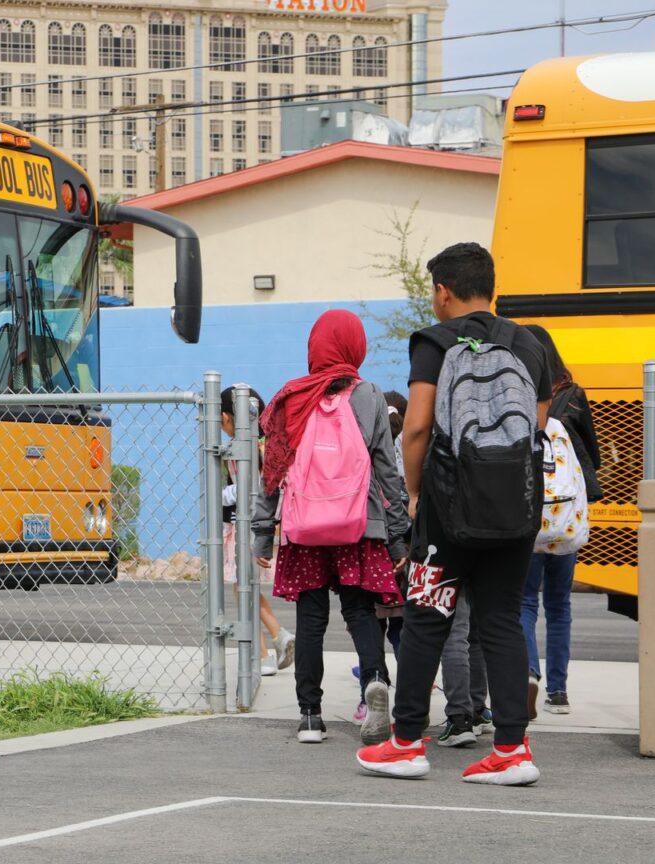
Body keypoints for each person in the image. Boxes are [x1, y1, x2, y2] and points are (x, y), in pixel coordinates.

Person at [357, 241, 551, 786]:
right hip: (515, 508)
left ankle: (405, 744)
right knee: (502, 620)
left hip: (448, 509)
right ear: (492, 287)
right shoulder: (530, 343)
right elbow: (534, 429)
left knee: (425, 618)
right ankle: (512, 751)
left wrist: (416, 495)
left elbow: (416, 426)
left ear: (442, 291)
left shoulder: (436, 342)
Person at [252, 310, 409, 746]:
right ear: (355, 347)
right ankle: (375, 681)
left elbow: (272, 470)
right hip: (360, 524)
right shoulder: (370, 395)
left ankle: (309, 715)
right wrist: (397, 533)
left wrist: (263, 531)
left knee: (311, 618)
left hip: (305, 528)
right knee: (361, 612)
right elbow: (386, 471)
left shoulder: (290, 398)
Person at [522, 324, 599, 717]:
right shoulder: (572, 394)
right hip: (565, 515)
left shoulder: (517, 395)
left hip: (529, 515)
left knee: (524, 601)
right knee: (559, 605)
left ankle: (529, 673)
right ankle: (559, 691)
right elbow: (592, 457)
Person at [219, 386, 295, 676]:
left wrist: (220, 495)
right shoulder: (265, 442)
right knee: (245, 589)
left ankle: (268, 648)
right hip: (263, 526)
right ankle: (272, 644)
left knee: (244, 589)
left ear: (227, 417)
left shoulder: (241, 446)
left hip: (247, 526)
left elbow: (250, 487)